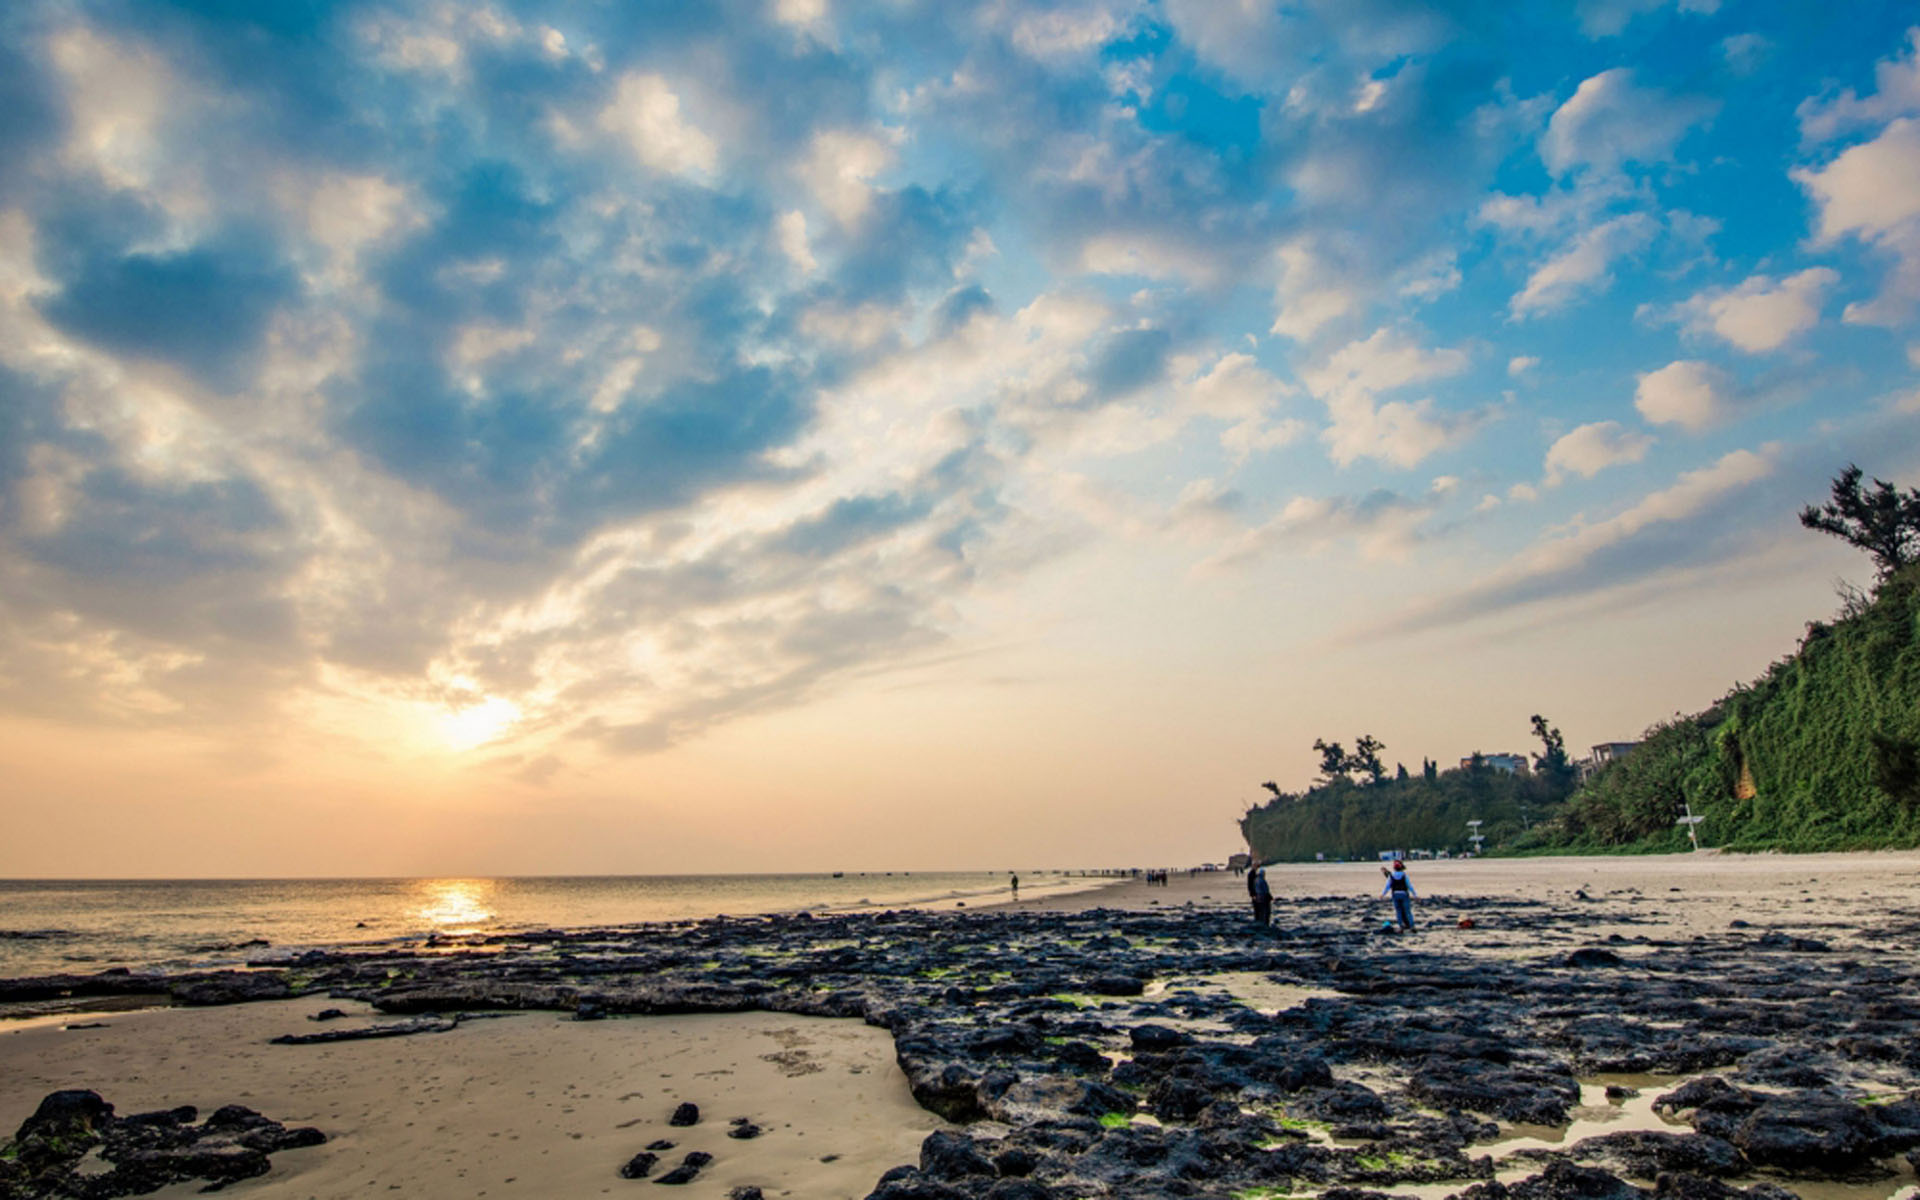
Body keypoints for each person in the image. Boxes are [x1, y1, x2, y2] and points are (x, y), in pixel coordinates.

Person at [1381, 859, 1417, 931]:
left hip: (1395, 894)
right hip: (1404, 894)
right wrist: (1415, 895)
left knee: (1398, 912)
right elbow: (1409, 886)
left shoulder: (1391, 876)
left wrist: (1382, 894)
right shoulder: (1404, 875)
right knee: (1408, 911)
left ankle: (1401, 926)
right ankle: (1412, 926)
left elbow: (1387, 886)